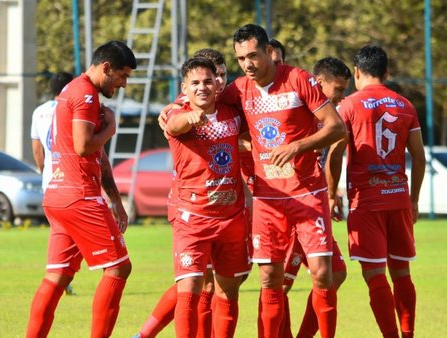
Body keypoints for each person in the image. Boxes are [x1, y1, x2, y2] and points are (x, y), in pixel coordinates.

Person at [218, 24, 346, 338]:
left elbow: (337, 127)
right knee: (269, 279)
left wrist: (297, 146)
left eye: (252, 55)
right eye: (240, 59)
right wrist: (173, 110)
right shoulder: (237, 90)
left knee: (323, 274)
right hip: (267, 198)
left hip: (307, 193)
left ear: (269, 52)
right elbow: (204, 103)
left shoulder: (297, 79)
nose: (247, 64)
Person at [26, 40, 136, 338]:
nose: (124, 84)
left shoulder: (71, 90)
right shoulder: (85, 93)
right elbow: (84, 145)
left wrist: (115, 200)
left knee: (57, 276)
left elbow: (95, 157)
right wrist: (110, 129)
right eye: (122, 75)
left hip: (57, 195)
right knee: (119, 269)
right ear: (106, 67)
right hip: (79, 196)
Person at [325, 45, 425, 338]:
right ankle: (408, 334)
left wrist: (331, 195)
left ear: (356, 72)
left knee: (374, 275)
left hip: (366, 203)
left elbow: (334, 153)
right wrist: (414, 199)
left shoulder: (349, 106)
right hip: (398, 199)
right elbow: (418, 157)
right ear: (387, 72)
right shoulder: (405, 105)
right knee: (402, 273)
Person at [137, 48, 233, 338]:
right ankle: (145, 334)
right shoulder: (183, 106)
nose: (218, 82)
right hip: (192, 206)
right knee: (195, 281)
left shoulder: (234, 103)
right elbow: (175, 120)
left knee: (220, 283)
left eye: (222, 76)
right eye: (212, 76)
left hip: (232, 202)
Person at [165, 57, 250, 338]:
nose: (202, 88)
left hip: (231, 218)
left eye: (207, 81)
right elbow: (174, 125)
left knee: (228, 290)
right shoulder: (177, 115)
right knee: (189, 287)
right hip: (193, 218)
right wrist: (188, 118)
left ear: (217, 84)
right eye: (195, 83)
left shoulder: (233, 115)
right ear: (184, 88)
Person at [280, 57, 352, 338]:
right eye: (338, 89)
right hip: (287, 205)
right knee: (278, 283)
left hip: (313, 206)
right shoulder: (294, 110)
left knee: (335, 273)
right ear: (319, 83)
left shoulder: (329, 116)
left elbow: (334, 154)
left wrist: (331, 196)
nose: (342, 96)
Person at [29, 71, 77, 296]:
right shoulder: (72, 107)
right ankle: (62, 275)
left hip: (50, 180)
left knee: (59, 230)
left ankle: (59, 275)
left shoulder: (39, 112)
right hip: (74, 182)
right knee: (75, 233)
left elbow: (37, 149)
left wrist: (45, 171)